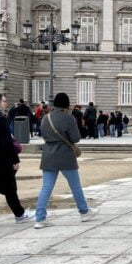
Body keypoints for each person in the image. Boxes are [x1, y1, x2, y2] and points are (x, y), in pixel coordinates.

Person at [35, 92, 96, 229]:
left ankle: (39, 218)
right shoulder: (69, 119)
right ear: (67, 105)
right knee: (75, 186)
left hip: (48, 155)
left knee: (46, 187)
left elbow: (43, 135)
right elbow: (75, 138)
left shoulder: (45, 118)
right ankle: (84, 212)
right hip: (65, 155)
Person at [0, 93, 31, 223]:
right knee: (9, 188)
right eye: (3, 101)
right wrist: (15, 160)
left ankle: (19, 214)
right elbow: (6, 142)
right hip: (0, 161)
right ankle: (19, 215)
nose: (6, 103)